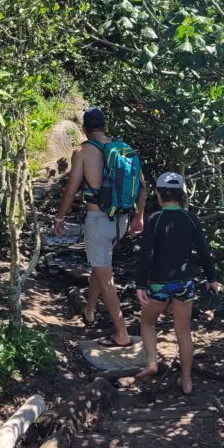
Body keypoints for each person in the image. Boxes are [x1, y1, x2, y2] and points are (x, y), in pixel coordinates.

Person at [53, 107, 146, 347]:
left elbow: (71, 190)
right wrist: (139, 216)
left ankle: (122, 334)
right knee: (100, 266)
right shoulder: (123, 149)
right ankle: (90, 310)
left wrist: (60, 218)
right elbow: (142, 186)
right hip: (121, 221)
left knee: (107, 280)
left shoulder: (82, 151)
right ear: (105, 126)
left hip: (98, 221)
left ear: (85, 128)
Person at [134, 172, 220, 395]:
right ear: (182, 195)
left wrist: (141, 284)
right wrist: (212, 279)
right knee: (183, 331)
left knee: (147, 323)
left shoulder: (154, 219)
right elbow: (204, 252)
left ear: (158, 194)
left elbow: (146, 255)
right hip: (185, 283)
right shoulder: (190, 219)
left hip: (160, 284)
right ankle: (187, 381)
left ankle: (152, 363)